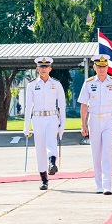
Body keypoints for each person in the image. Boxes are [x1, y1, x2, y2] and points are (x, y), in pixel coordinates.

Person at [77, 54, 112, 195]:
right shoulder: (89, 83)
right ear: (94, 67)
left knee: (107, 151)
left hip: (108, 119)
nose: (102, 69)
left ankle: (107, 185)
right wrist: (83, 125)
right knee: (96, 152)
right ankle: (99, 184)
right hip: (94, 120)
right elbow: (83, 105)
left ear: (107, 67)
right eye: (99, 66)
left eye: (104, 66)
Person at [23, 57, 66, 191]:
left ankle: (52, 163)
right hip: (37, 118)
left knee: (51, 141)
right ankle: (44, 179)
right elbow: (28, 106)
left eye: (46, 67)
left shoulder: (56, 84)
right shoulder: (32, 85)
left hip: (52, 117)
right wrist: (26, 126)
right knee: (40, 149)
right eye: (41, 67)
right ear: (37, 69)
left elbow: (62, 105)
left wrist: (62, 124)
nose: (43, 69)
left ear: (50, 69)